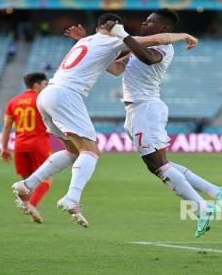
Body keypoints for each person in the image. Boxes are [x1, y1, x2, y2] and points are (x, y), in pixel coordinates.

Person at [11, 13, 198, 228]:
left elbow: (114, 66)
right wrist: (184, 35)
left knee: (73, 151)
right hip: (67, 95)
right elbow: (156, 40)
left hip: (48, 94)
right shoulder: (111, 40)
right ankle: (72, 198)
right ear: (113, 27)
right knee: (90, 151)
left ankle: (27, 185)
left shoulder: (87, 41)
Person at [65, 9, 222, 238]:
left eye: (151, 22)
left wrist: (124, 36)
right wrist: (85, 42)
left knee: (157, 165)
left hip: (146, 107)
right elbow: (115, 69)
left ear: (164, 29)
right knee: (160, 164)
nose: (144, 23)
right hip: (135, 111)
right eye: (145, 20)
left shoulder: (162, 47)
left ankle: (202, 207)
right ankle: (217, 192)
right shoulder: (136, 47)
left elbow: (148, 58)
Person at [1, 72, 51, 223]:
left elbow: (7, 127)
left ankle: (29, 208)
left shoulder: (13, 102)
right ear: (36, 85)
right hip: (39, 144)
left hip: (20, 145)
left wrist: (4, 148)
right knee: (46, 178)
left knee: (26, 182)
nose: (46, 87)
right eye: (44, 84)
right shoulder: (42, 100)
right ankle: (31, 206)